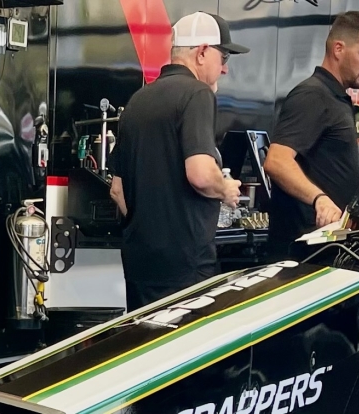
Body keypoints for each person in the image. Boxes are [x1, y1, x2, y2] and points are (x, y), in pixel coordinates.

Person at [109, 12, 249, 312]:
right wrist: (225, 189)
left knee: (145, 339)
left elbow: (118, 191)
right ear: (202, 52)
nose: (224, 69)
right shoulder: (197, 94)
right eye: (223, 57)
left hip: (140, 266)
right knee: (188, 340)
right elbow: (200, 174)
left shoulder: (138, 100)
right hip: (186, 266)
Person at [263, 11, 359, 261]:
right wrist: (319, 199)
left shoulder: (336, 98)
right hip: (304, 255)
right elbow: (276, 161)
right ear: (338, 49)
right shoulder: (312, 95)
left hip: (331, 249)